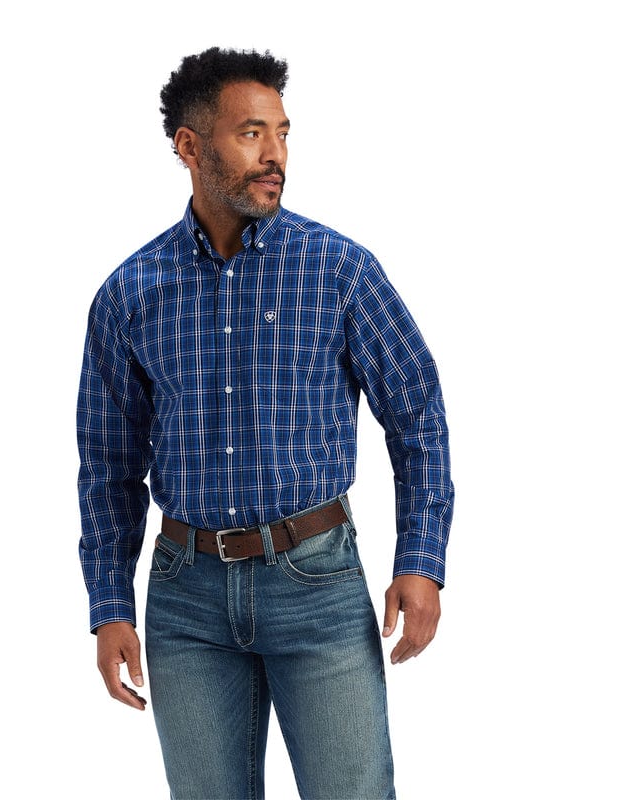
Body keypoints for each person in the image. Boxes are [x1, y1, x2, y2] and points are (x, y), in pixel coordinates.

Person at [77, 46, 454, 800]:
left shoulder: (338, 270)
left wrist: (421, 560)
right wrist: (110, 604)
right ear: (189, 146)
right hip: (185, 599)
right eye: (251, 133)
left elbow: (417, 415)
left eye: (282, 132)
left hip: (316, 582)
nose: (274, 153)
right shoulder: (130, 293)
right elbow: (109, 464)